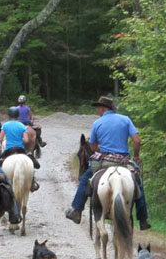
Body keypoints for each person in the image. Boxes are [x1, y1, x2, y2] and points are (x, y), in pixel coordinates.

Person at [65, 96, 151, 230]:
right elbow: (137, 141)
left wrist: (104, 147)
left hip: (104, 161)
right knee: (138, 184)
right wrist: (137, 156)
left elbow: (93, 147)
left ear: (104, 108)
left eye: (98, 108)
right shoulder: (125, 119)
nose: (97, 111)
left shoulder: (97, 123)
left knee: (84, 179)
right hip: (123, 161)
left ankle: (76, 210)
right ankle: (143, 219)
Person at [0, 106, 40, 191]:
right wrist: (19, 139)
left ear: (9, 115)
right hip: (20, 150)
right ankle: (32, 182)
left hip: (9, 150)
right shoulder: (22, 126)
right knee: (30, 162)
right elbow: (26, 140)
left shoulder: (5, 125)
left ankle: (0, 182)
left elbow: (0, 139)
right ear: (18, 115)